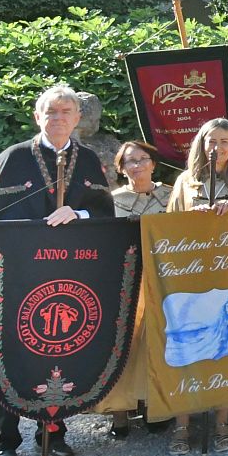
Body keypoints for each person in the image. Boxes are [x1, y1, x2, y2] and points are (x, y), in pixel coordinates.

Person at [0, 84, 113, 456]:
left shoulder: (88, 160)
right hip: (16, 277)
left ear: (77, 118)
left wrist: (77, 214)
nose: (58, 118)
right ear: (37, 117)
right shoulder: (13, 159)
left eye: (66, 111)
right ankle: (5, 441)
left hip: (67, 274)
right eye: (51, 111)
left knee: (59, 350)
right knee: (10, 355)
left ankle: (54, 436)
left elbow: (104, 214)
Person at [166, 119, 228, 454]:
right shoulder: (186, 181)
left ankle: (223, 421)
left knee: (225, 347)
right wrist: (194, 217)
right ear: (201, 143)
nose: (218, 148)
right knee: (186, 350)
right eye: (212, 141)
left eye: (225, 141)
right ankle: (182, 425)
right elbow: (170, 225)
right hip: (192, 273)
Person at [101, 140, 166, 438]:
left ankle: (155, 407)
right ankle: (120, 414)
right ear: (121, 168)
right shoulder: (110, 201)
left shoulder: (170, 196)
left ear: (153, 164)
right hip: (123, 282)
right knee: (122, 346)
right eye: (130, 161)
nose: (137, 165)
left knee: (155, 345)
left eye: (143, 159)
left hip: (161, 280)